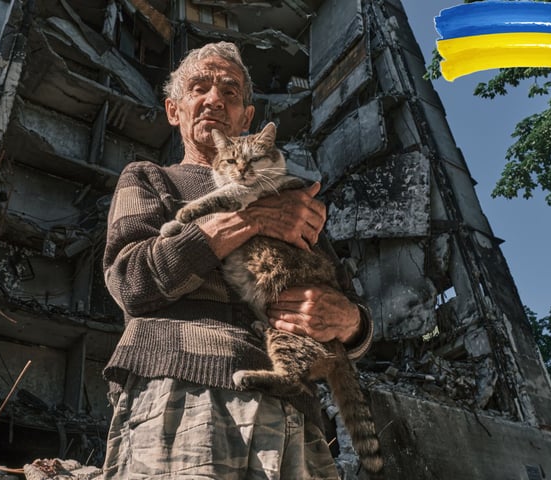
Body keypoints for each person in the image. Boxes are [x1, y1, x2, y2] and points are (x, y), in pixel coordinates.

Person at [101, 41, 373, 479]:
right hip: (182, 390)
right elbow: (133, 284)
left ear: (246, 119)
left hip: (293, 410)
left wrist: (349, 322)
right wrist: (251, 219)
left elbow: (350, 309)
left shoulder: (292, 201)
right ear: (174, 110)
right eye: (199, 88)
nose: (214, 99)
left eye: (230, 92)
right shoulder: (149, 178)